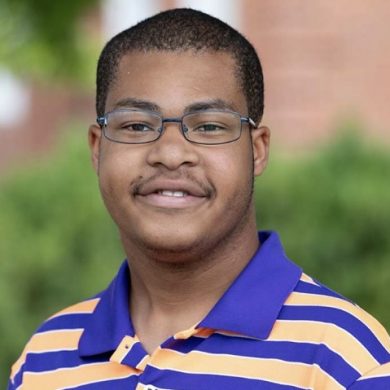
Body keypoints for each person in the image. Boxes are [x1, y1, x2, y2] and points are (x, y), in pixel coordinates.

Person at [8, 8, 390, 390]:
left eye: (208, 126)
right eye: (137, 126)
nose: (171, 154)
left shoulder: (344, 361)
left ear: (257, 151)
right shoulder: (44, 362)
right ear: (97, 148)